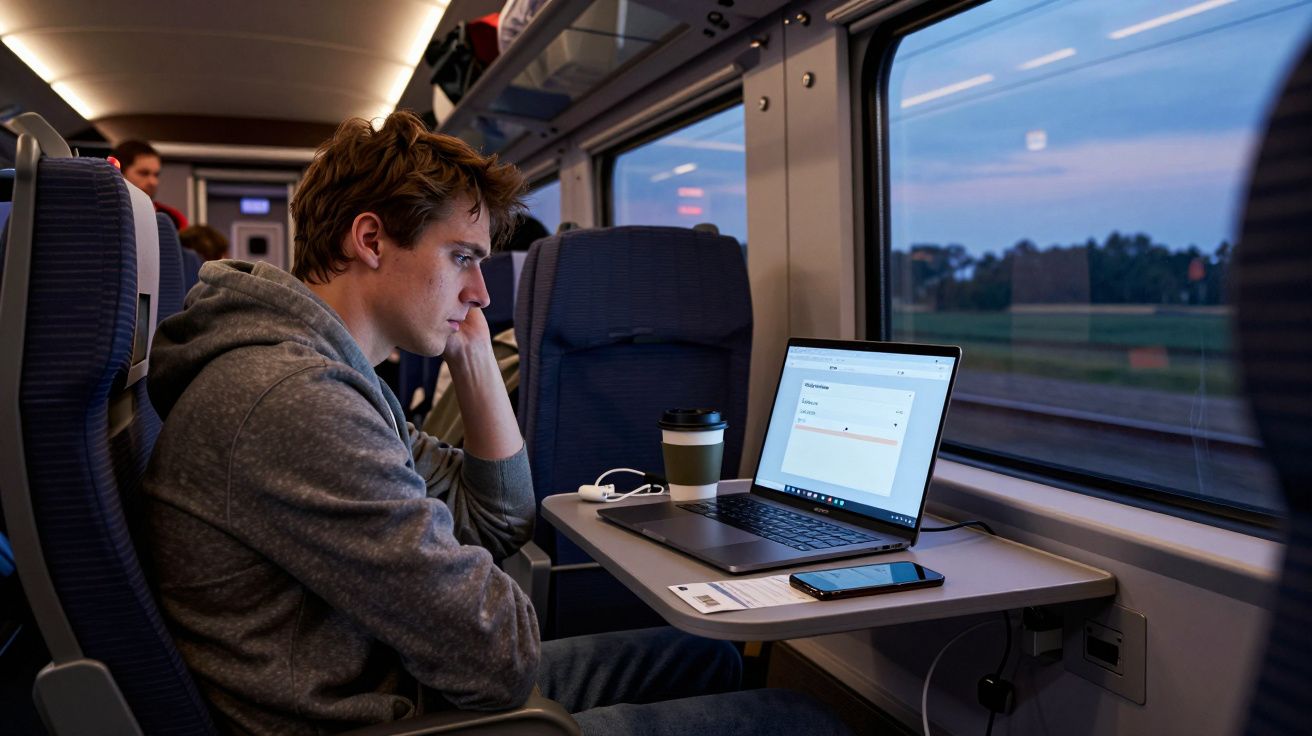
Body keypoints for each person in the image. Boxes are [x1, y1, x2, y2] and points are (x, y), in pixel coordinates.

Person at [143, 111, 852, 735]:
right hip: (381, 720)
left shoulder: (333, 378)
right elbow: (500, 660)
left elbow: (499, 520)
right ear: (370, 239)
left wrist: (473, 355)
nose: (481, 293)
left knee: (703, 655)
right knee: (804, 719)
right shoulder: (295, 400)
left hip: (393, 681)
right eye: (462, 259)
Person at [110, 139, 189, 230]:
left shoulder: (174, 219)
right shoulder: (102, 214)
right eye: (144, 173)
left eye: (156, 175)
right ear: (120, 173)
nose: (153, 182)